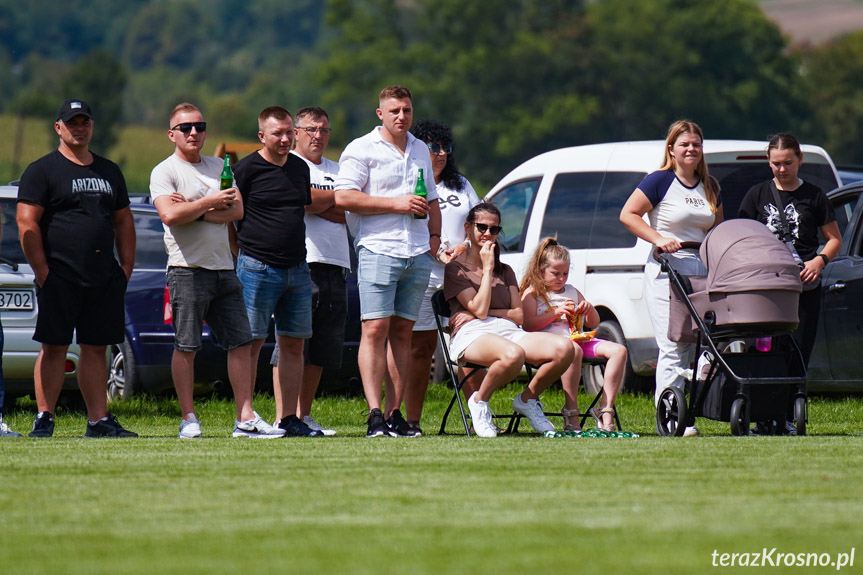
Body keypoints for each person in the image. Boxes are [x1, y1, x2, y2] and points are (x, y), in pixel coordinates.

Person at [150, 102, 284, 439]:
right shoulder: (164, 171)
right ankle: (189, 418)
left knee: (241, 343)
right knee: (187, 346)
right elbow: (169, 216)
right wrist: (211, 202)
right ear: (172, 134)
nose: (193, 132)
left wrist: (194, 209)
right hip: (186, 269)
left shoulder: (219, 166)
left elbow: (236, 210)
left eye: (199, 126)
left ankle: (246, 417)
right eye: (185, 128)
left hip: (226, 268)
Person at [17, 98, 137, 438]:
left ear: (92, 126)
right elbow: (26, 223)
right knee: (54, 346)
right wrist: (42, 271)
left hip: (102, 276)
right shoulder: (42, 170)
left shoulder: (109, 170)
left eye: (84, 122)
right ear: (59, 128)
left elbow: (124, 221)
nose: (79, 128)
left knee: (96, 348)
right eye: (72, 123)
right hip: (59, 275)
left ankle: (98, 420)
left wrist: (126, 266)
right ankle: (44, 417)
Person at [335, 85, 441, 437]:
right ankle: (375, 413)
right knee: (374, 330)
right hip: (379, 248)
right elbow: (344, 197)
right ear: (380, 113)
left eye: (407, 110)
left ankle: (396, 414)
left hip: (416, 251)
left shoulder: (420, 148)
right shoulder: (361, 148)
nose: (401, 116)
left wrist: (434, 240)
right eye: (394, 110)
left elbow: (434, 199)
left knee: (403, 335)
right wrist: (398, 204)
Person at [619, 119, 723, 437]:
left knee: (697, 347)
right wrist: (658, 238)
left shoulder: (711, 186)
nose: (691, 149)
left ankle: (690, 412)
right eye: (684, 144)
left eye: (696, 144)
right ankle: (671, 419)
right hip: (666, 272)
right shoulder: (659, 181)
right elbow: (628, 214)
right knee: (672, 344)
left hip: (701, 273)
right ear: (671, 149)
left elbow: (718, 229)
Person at [738, 132, 841, 434]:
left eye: (788, 163)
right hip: (766, 289)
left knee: (797, 352)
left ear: (800, 160)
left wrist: (819, 261)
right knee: (765, 351)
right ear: (768, 163)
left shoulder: (815, 196)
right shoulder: (756, 195)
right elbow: (742, 236)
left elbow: (834, 239)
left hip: (803, 287)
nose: (782, 169)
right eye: (776, 164)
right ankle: (762, 416)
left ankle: (788, 415)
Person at [383, 118, 481, 436]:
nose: (439, 154)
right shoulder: (408, 179)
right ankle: (409, 419)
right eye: (432, 146)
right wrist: (435, 250)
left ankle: (480, 416)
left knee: (468, 342)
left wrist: (465, 246)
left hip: (460, 274)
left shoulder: (460, 185)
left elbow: (481, 221)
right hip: (423, 271)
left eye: (444, 148)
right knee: (419, 348)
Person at [443, 203, 574, 437]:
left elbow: (517, 315)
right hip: (472, 333)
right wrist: (486, 268)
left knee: (565, 348)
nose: (488, 234)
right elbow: (479, 312)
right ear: (468, 228)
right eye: (481, 227)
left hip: (509, 331)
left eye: (494, 230)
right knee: (513, 354)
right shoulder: (456, 269)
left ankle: (527, 399)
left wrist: (485, 309)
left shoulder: (506, 271)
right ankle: (479, 402)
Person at [231, 106, 321, 438]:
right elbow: (231, 218)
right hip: (256, 266)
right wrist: (241, 255)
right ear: (261, 136)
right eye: (277, 134)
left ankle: (288, 418)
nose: (284, 139)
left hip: (297, 268)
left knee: (294, 344)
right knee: (250, 343)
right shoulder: (246, 169)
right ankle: (246, 416)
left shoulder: (299, 168)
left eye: (288, 133)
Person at [267, 106, 347, 437]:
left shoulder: (339, 169)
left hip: (337, 263)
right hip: (303, 263)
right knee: (291, 344)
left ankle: (304, 414)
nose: (318, 136)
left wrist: (322, 202)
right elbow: (300, 202)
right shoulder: (290, 167)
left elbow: (351, 211)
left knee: (322, 348)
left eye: (324, 130)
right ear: (296, 132)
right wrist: (330, 200)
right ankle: (281, 416)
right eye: (311, 129)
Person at [519, 238, 627, 432]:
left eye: (565, 273)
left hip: (576, 338)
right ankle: (571, 411)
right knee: (574, 350)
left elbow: (593, 324)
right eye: (555, 273)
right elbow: (527, 324)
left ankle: (605, 408)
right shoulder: (533, 293)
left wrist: (589, 310)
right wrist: (555, 313)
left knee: (619, 350)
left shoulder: (572, 291)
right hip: (549, 345)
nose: (561, 278)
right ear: (540, 270)